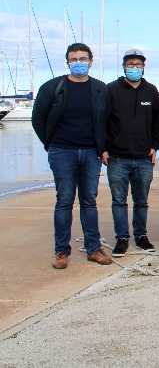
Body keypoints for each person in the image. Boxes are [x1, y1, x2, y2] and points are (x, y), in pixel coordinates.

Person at [32, 42, 111, 269]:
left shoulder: (100, 88)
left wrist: (103, 147)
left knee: (89, 201)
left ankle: (93, 248)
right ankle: (61, 251)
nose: (78, 63)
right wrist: (50, 144)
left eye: (82, 59)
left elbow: (106, 120)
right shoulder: (53, 87)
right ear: (67, 62)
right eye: (74, 60)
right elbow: (38, 119)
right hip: (61, 151)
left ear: (91, 61)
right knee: (64, 201)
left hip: (90, 153)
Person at [103, 49, 159, 257]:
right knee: (119, 200)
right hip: (117, 157)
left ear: (144, 67)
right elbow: (102, 121)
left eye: (138, 65)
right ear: (124, 67)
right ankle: (122, 238)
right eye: (130, 64)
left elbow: (157, 122)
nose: (134, 68)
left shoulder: (151, 91)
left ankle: (141, 236)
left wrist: (155, 146)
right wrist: (103, 148)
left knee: (141, 201)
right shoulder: (111, 89)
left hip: (144, 158)